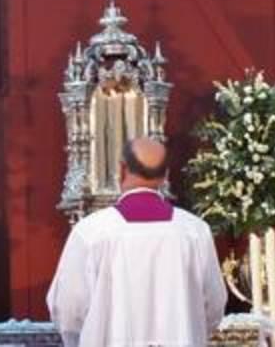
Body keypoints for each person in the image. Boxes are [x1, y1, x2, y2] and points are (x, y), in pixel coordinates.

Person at [47, 136, 227, 347]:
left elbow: (68, 310)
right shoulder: (194, 232)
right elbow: (213, 306)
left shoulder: (91, 233)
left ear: (122, 170)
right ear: (165, 176)